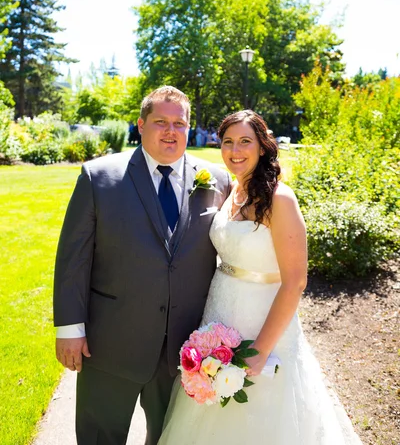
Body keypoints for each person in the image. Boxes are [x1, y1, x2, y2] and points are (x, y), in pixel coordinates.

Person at [159, 110, 363, 445]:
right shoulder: (231, 193)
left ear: (263, 147)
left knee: (261, 410)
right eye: (227, 142)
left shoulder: (280, 199)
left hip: (262, 320)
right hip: (219, 316)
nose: (234, 150)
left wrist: (262, 349)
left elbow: (295, 281)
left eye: (244, 142)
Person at [53, 86, 231, 445]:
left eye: (179, 123)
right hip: (110, 345)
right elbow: (74, 258)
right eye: (160, 121)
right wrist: (70, 328)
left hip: (186, 351)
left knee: (171, 438)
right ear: (140, 124)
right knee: (100, 435)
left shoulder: (218, 180)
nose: (170, 131)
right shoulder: (98, 177)